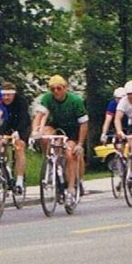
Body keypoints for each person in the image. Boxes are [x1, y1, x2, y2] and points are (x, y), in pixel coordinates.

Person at [31, 75, 89, 203]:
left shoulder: (76, 100)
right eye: (53, 89)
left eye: (59, 88)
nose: (56, 92)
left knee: (70, 154)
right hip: (56, 126)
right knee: (45, 134)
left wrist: (80, 143)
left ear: (65, 88)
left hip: (73, 129)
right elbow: (39, 116)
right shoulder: (47, 98)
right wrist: (35, 131)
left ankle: (71, 189)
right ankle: (51, 161)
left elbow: (84, 124)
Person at [0, 81, 32, 194]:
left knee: (19, 146)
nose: (6, 98)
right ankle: (6, 170)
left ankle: (20, 181)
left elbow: (24, 118)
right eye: (4, 95)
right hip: (6, 125)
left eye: (8, 95)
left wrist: (18, 132)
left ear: (13, 94)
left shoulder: (21, 101)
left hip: (21, 126)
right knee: (0, 144)